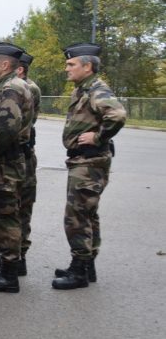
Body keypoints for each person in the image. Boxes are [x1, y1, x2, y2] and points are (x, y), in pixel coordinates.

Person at [52, 43, 126, 289]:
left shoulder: (96, 89)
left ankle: (80, 270)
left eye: (71, 64)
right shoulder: (83, 88)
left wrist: (98, 137)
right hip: (83, 160)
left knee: (77, 216)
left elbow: (117, 115)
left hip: (89, 161)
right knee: (87, 213)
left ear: (88, 66)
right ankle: (87, 264)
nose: (66, 69)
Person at [0, 43, 33, 294]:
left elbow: (6, 130)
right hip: (9, 161)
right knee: (6, 214)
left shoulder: (11, 88)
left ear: (4, 65)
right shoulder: (12, 85)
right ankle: (8, 265)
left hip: (6, 162)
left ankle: (8, 274)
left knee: (5, 216)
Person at [17, 53, 40, 276]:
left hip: (22, 157)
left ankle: (17, 257)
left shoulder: (26, 88)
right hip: (24, 155)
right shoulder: (24, 86)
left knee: (20, 208)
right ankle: (15, 256)